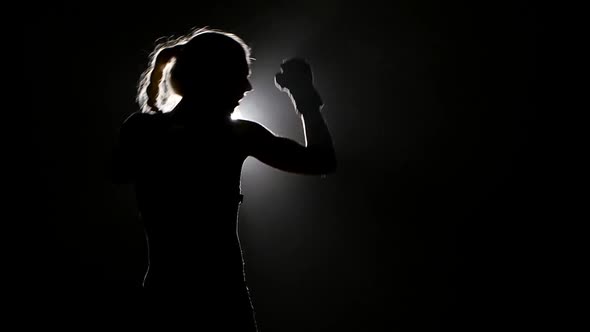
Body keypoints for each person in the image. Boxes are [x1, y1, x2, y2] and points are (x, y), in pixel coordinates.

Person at [113, 27, 336, 330]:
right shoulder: (235, 135)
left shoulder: (142, 131)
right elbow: (322, 161)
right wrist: (306, 99)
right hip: (223, 307)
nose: (246, 87)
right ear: (210, 76)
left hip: (162, 301)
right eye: (238, 75)